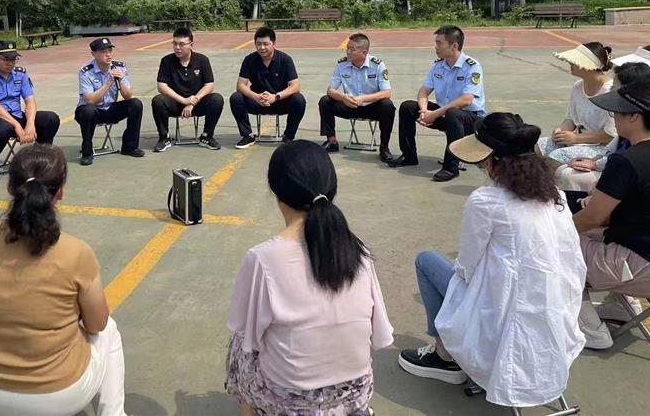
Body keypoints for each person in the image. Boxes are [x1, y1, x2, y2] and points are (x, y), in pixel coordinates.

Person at [398, 114, 586, 409]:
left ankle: (443, 356)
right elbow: (571, 258)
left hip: (503, 317)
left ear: (491, 161)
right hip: (557, 314)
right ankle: (448, 352)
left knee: (427, 260)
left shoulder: (486, 201)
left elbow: (467, 268)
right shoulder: (556, 197)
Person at [226, 140, 392, 415]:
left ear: (277, 193)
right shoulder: (357, 250)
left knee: (238, 343)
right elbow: (379, 332)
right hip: (355, 391)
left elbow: (245, 330)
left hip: (291, 399)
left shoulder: (263, 258)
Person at [0, 144, 127, 416]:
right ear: (60, 191)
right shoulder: (76, 251)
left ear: (9, 187)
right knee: (109, 328)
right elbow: (96, 324)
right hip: (56, 398)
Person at [572, 80, 650, 350]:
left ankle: (590, 329)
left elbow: (591, 219)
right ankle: (620, 305)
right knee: (594, 235)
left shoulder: (627, 161)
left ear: (634, 117)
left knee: (557, 246)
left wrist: (555, 229)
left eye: (616, 112)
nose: (613, 117)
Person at [387, 25, 485, 181]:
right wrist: (424, 111)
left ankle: (451, 168)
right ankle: (409, 156)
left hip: (470, 118)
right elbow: (423, 91)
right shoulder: (438, 66)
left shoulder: (471, 67)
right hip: (444, 113)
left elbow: (466, 100)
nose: (435, 47)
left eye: (439, 43)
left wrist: (435, 114)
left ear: (454, 46)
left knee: (453, 113)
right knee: (408, 107)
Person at [554, 61, 650, 192]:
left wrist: (597, 187)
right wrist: (595, 162)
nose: (614, 115)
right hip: (619, 175)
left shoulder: (647, 140)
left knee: (567, 174)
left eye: (614, 89)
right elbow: (614, 149)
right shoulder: (632, 129)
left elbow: (624, 167)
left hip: (633, 189)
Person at [0, 40, 61, 182]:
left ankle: (39, 161)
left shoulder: (20, 74)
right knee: (3, 127)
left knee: (50, 119)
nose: (10, 63)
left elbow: (30, 100)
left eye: (14, 59)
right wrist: (17, 126)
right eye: (6, 59)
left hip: (16, 116)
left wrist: (30, 124)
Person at [318, 33, 395, 162]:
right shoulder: (342, 65)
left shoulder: (377, 65)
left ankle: (384, 147)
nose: (348, 51)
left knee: (387, 105)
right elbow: (330, 90)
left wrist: (364, 98)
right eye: (347, 48)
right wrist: (343, 97)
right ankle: (331, 141)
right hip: (350, 105)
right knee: (325, 101)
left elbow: (387, 92)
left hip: (371, 106)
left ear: (364, 52)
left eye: (352, 49)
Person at [536, 42, 616, 164]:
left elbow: (610, 134)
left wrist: (576, 138)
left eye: (574, 61)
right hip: (578, 141)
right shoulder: (577, 87)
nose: (570, 63)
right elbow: (571, 119)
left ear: (587, 65)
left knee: (557, 156)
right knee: (537, 145)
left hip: (602, 147)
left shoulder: (611, 91)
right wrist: (560, 131)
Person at [230, 27, 307, 149]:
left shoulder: (285, 59)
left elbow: (295, 85)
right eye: (258, 44)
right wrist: (256, 96)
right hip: (257, 101)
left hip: (279, 101)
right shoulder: (250, 60)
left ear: (274, 43)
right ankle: (247, 135)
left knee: (299, 99)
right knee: (236, 98)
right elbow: (240, 85)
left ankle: (288, 136)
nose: (262, 47)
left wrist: (276, 97)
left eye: (266, 44)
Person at [151, 27, 224, 152]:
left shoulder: (202, 60)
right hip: (175, 103)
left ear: (191, 44)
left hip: (196, 103)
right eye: (174, 43)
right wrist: (184, 100)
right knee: (158, 101)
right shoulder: (167, 61)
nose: (177, 48)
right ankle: (164, 137)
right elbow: (161, 86)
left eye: (182, 44)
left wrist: (192, 102)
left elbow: (209, 85)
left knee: (217, 99)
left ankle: (207, 136)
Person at [75, 38, 144, 166]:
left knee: (135, 104)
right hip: (89, 111)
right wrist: (109, 83)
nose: (108, 55)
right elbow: (90, 100)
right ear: (93, 54)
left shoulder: (119, 67)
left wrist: (120, 80)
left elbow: (128, 95)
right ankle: (87, 153)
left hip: (109, 108)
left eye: (110, 51)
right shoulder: (86, 72)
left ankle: (130, 147)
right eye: (103, 52)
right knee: (89, 110)